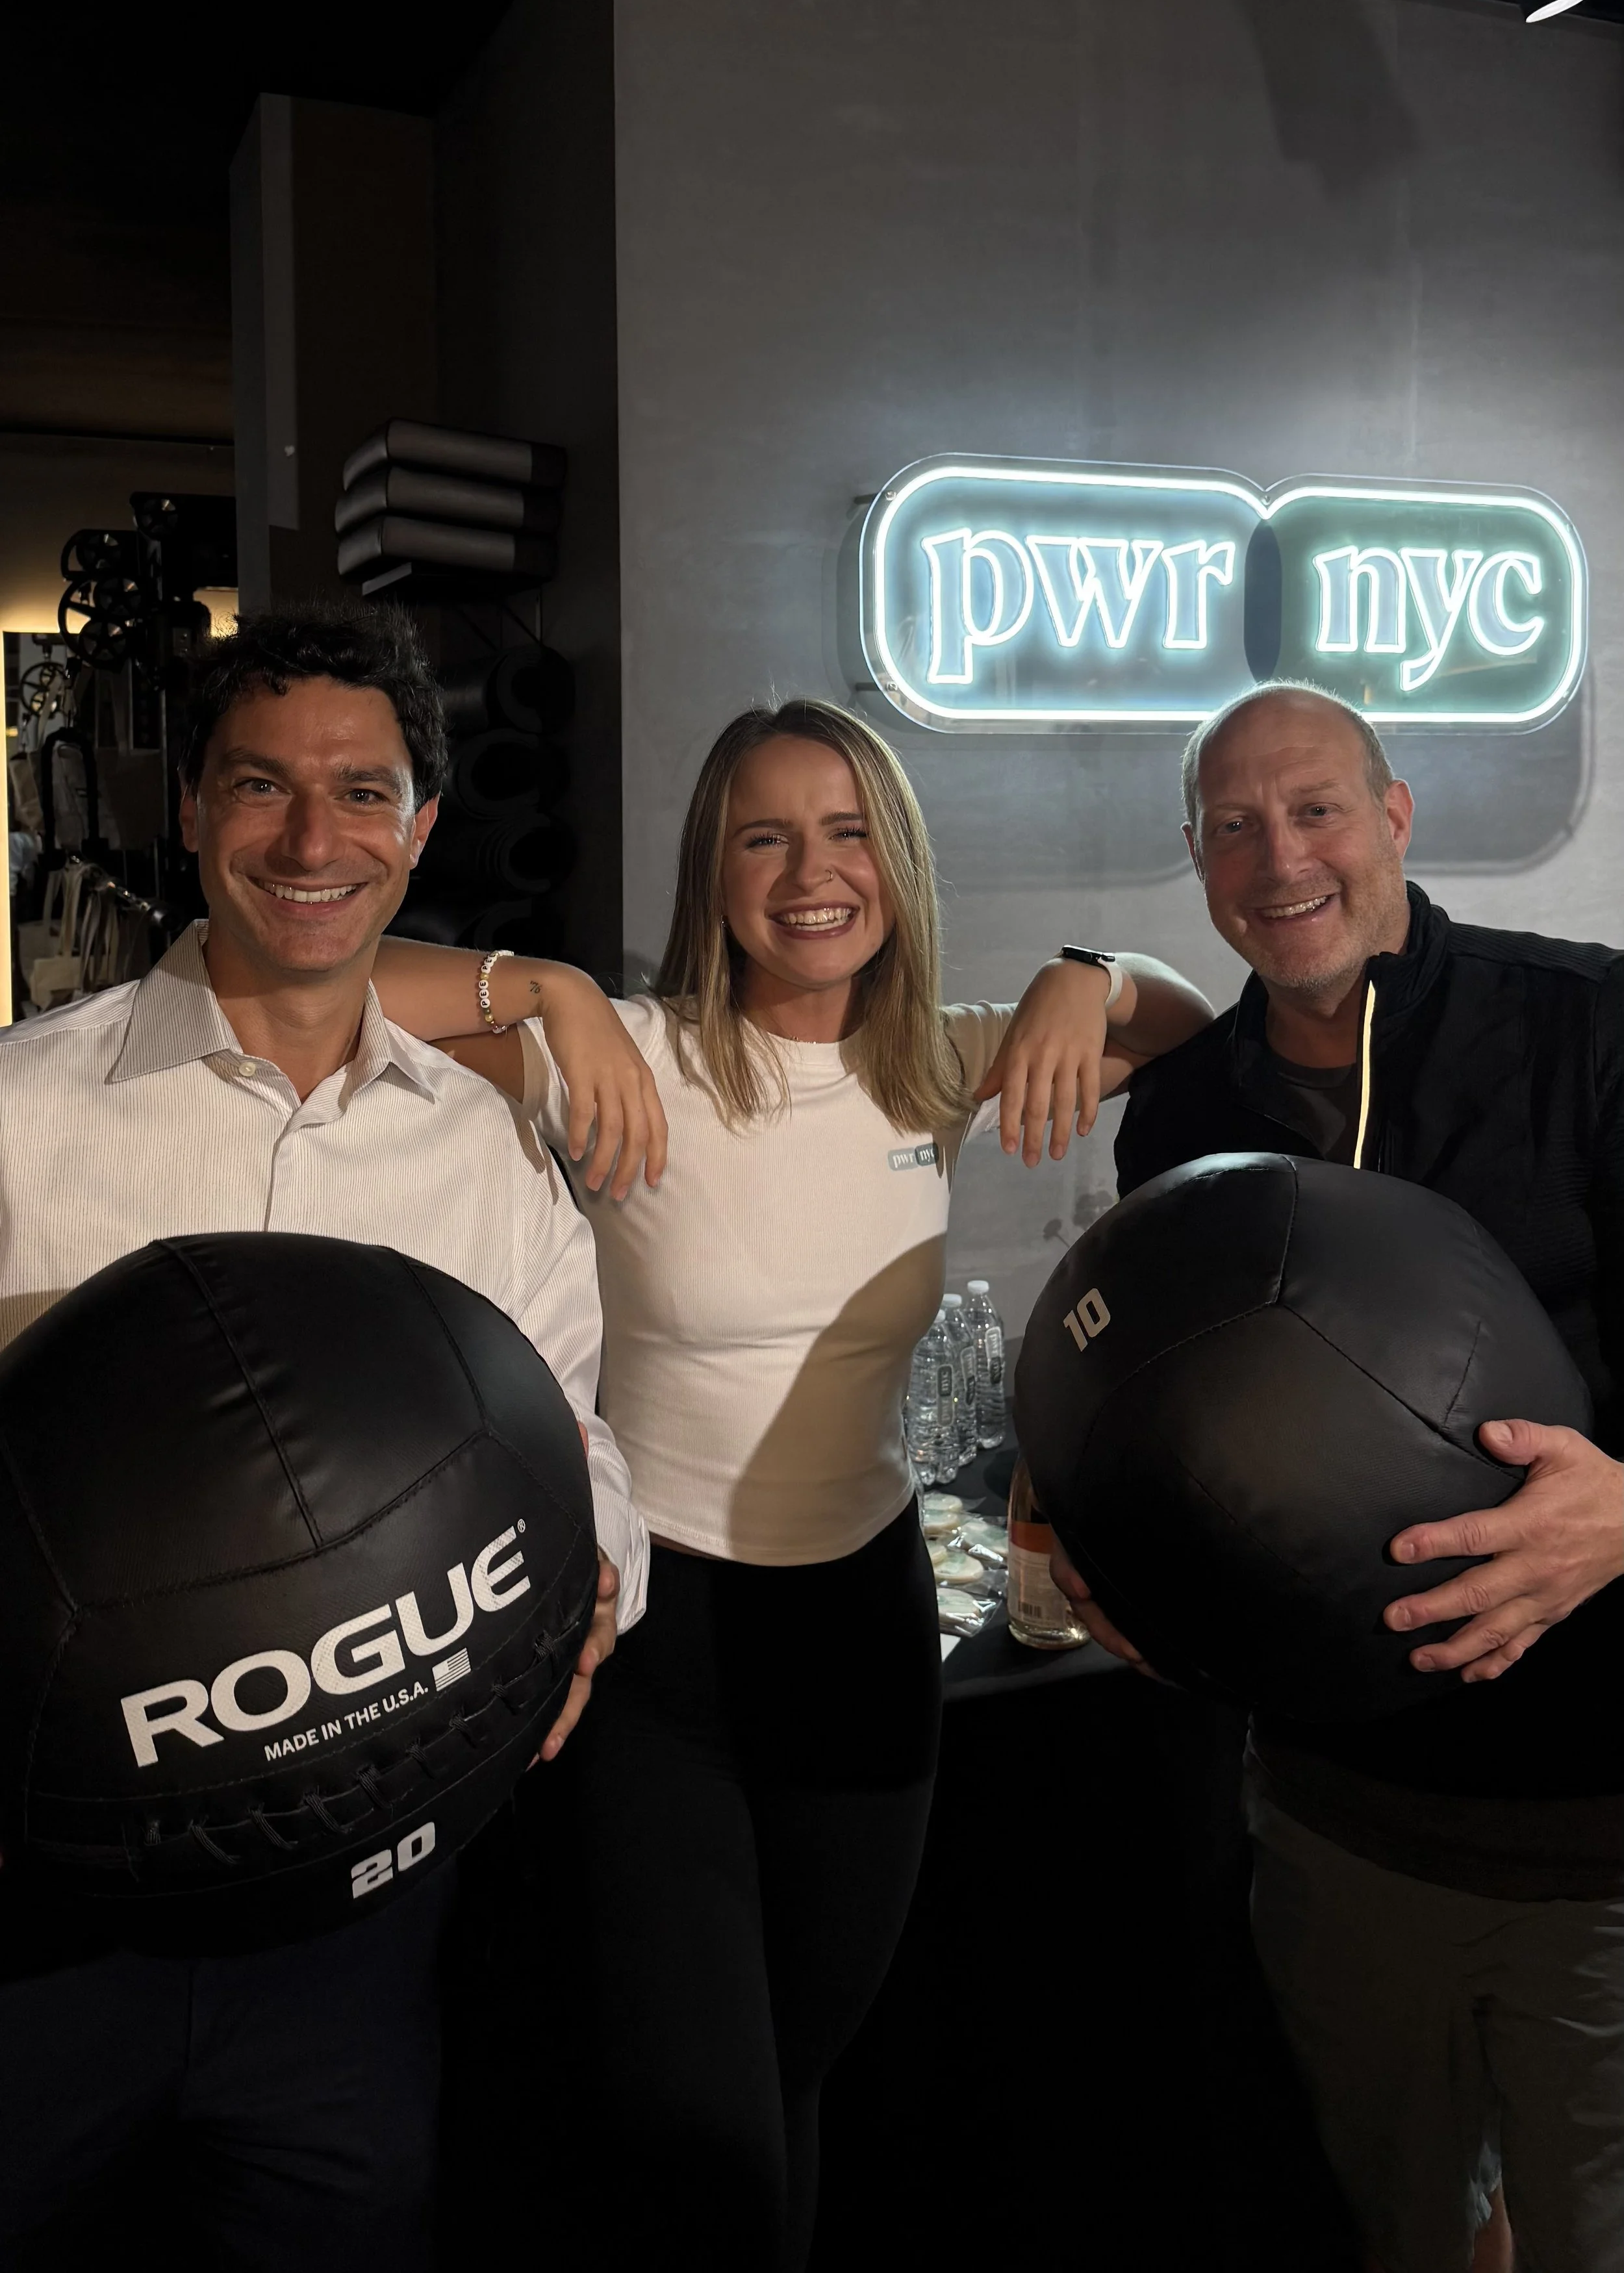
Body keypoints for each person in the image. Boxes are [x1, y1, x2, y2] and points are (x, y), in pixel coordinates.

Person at [373, 694, 1213, 2271]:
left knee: (797, 2074)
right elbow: (335, 980)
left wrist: (1079, 971)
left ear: (892, 859)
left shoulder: (940, 1065)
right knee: (699, 2139)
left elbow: (1186, 1021)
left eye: (845, 831)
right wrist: (540, 981)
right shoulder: (625, 1053)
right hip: (655, 1647)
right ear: (713, 866)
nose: (809, 869)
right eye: (764, 832)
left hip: (860, 1630)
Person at [0, 603, 647, 2272]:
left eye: (363, 793)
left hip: (355, 1916)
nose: (312, 839)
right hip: (39, 1908)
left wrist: (594, 1581)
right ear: (195, 810)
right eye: (260, 787)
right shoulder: (19, 1115)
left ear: (421, 826)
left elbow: (572, 1430)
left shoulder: (486, 1154)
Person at [1057, 680, 1624, 2273]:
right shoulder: (1183, 1111)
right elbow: (1167, 1413)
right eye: (1231, 824)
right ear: (1193, 855)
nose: (1276, 854)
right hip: (1331, 1825)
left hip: (1593, 1841)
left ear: (1393, 816)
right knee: (1396, 2230)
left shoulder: (1584, 1025)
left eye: (1312, 808)